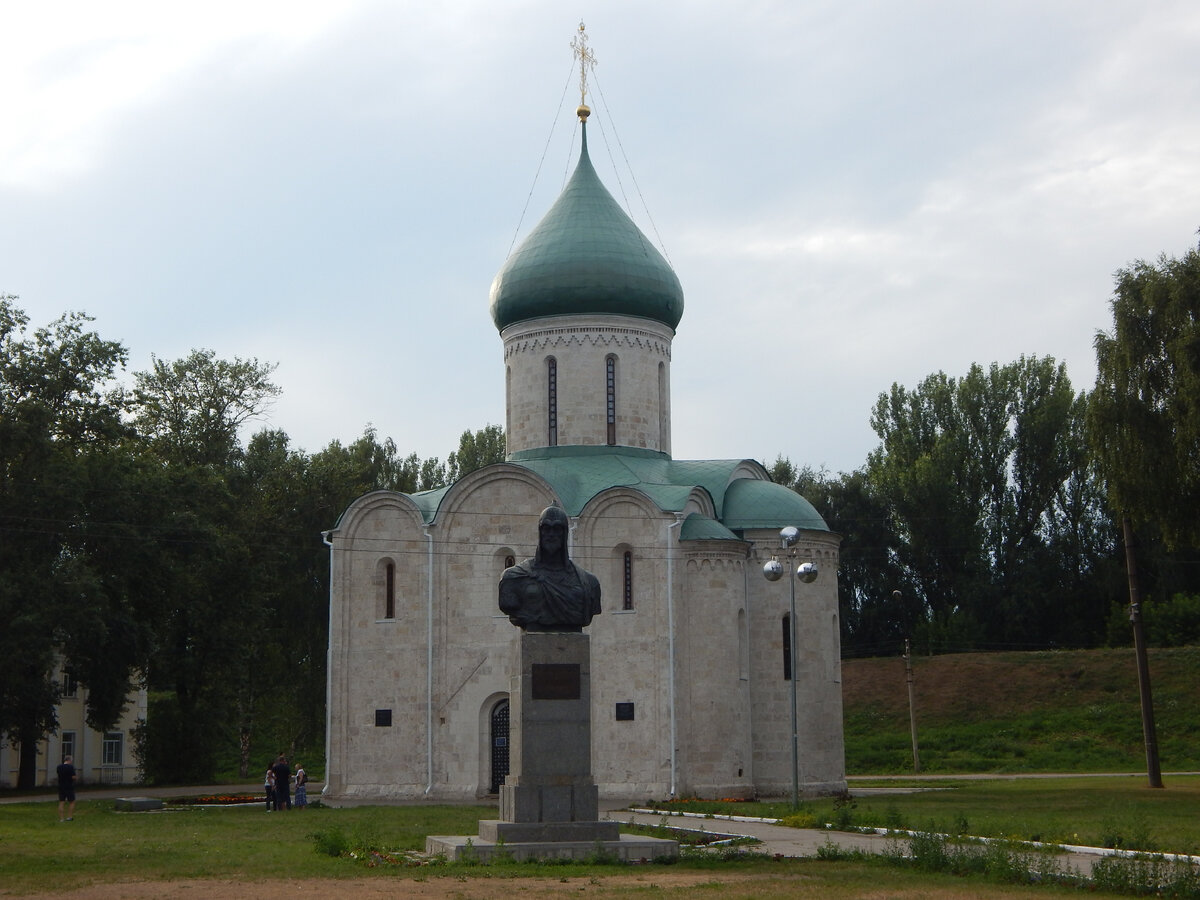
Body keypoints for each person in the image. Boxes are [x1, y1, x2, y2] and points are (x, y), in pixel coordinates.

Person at [498, 505, 602, 631]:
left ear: (565, 533)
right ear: (540, 532)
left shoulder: (589, 582)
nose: (551, 534)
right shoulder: (514, 577)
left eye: (557, 529)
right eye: (546, 528)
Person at [56, 755, 77, 822]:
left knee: (61, 802)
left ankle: (61, 818)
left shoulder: (59, 767)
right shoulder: (70, 767)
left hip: (61, 786)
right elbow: (73, 777)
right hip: (69, 786)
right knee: (72, 801)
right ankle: (69, 817)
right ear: (69, 760)